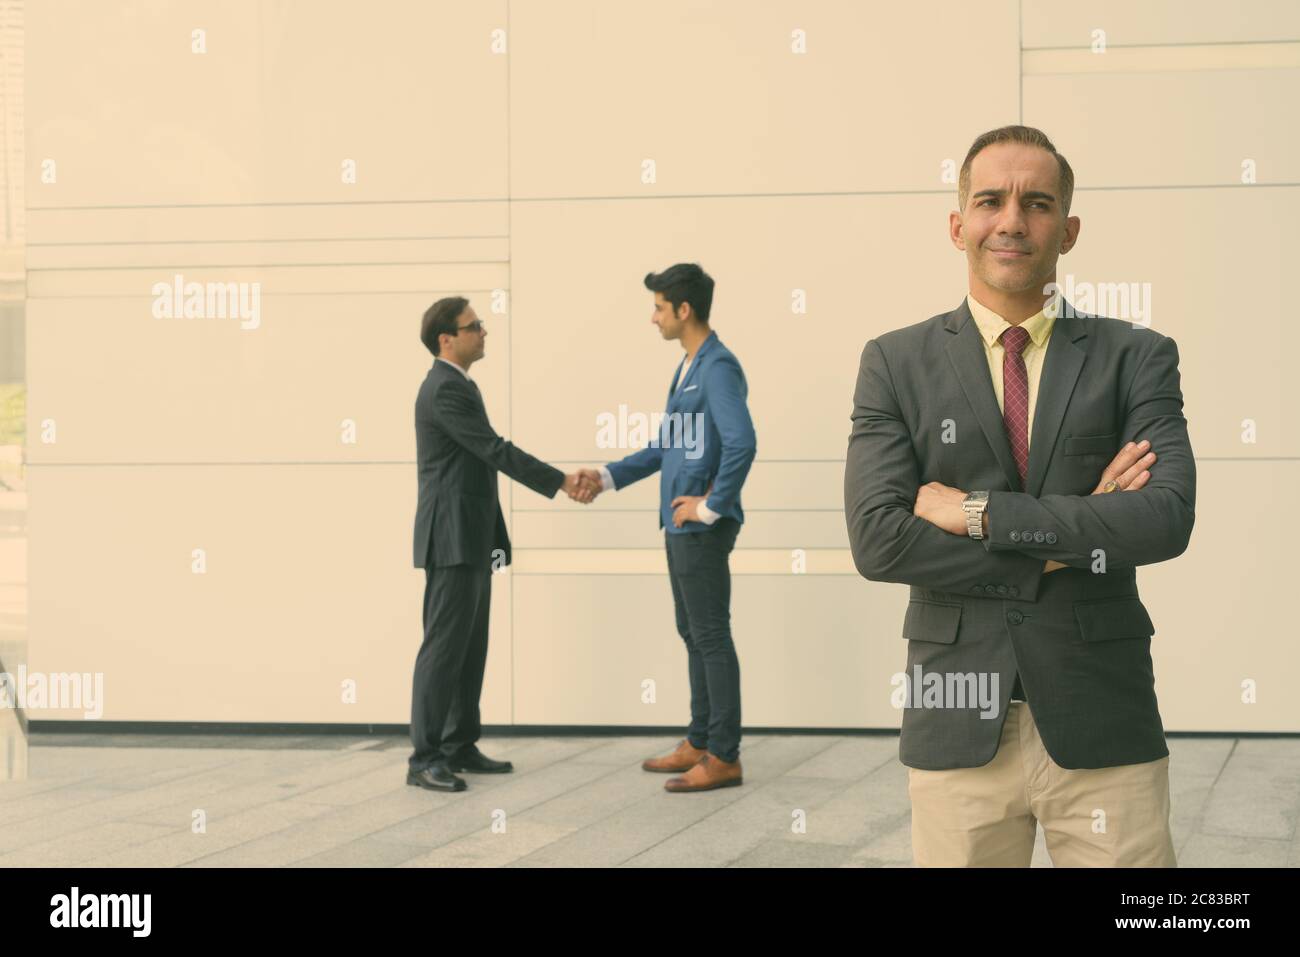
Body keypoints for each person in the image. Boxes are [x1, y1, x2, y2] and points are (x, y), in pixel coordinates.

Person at [844, 125, 1195, 865]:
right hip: (956, 715)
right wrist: (1078, 534)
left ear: (1067, 230)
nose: (1011, 220)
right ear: (956, 224)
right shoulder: (894, 363)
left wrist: (977, 513)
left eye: (1036, 203)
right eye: (989, 200)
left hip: (1104, 718)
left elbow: (1162, 519)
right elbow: (879, 540)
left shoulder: (1136, 356)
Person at [408, 296, 598, 793]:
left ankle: (458, 744)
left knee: (471, 647)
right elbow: (494, 450)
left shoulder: (460, 386)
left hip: (473, 537)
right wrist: (560, 480)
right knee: (443, 649)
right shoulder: (444, 391)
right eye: (474, 327)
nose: (484, 332)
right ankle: (423, 758)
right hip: (450, 539)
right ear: (446, 339)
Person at [580, 263, 757, 792]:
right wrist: (607, 476)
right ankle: (701, 740)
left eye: (659, 307)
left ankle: (723, 755)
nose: (652, 317)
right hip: (680, 530)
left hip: (699, 530)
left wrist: (710, 507)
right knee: (694, 633)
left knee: (710, 635)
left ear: (684, 310)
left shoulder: (719, 367)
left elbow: (743, 441)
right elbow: (665, 447)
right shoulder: (688, 367)